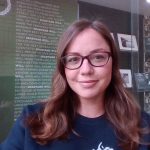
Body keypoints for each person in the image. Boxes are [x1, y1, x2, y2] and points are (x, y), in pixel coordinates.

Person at [1, 19, 150, 150]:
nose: (86, 70)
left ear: (113, 63)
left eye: (98, 57)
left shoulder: (143, 126)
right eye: (73, 59)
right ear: (63, 68)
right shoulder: (32, 121)